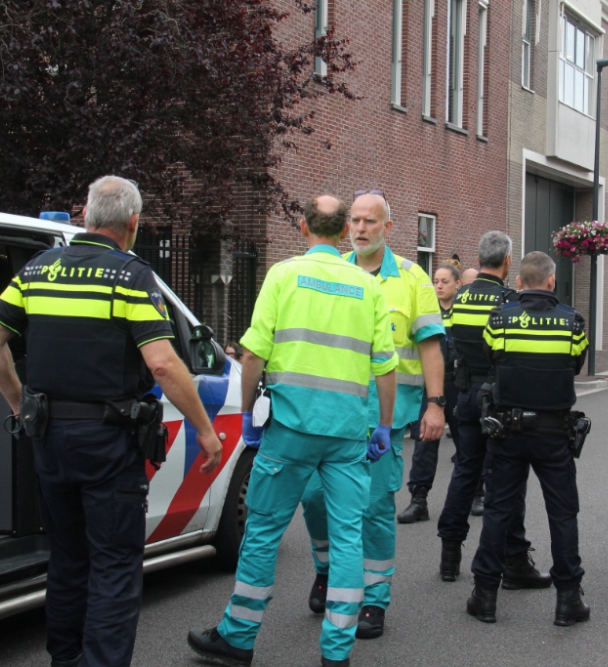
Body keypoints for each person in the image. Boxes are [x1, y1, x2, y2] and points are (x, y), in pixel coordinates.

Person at [0, 175, 222, 667]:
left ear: (87, 216)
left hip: (50, 441)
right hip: (109, 444)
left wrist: (22, 403)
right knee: (112, 567)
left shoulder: (37, 271)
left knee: (67, 562)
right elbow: (163, 364)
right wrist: (205, 428)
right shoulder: (130, 276)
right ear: (133, 223)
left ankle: (65, 660)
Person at [188, 195, 398, 667]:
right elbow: (384, 366)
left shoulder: (283, 275)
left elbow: (253, 354)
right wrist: (382, 425)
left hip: (290, 426)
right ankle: (337, 650)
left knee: (263, 530)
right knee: (348, 537)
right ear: (345, 230)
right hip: (347, 432)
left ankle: (238, 638)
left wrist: (246, 416)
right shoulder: (368, 286)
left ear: (302, 227)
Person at [300, 190, 445, 640]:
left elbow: (428, 345)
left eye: (370, 221)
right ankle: (326, 568)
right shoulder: (333, 269)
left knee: (375, 506)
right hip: (330, 411)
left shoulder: (412, 277)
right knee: (313, 498)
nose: (361, 228)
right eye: (355, 221)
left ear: (389, 227)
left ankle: (374, 596)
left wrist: (436, 403)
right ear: (346, 227)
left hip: (384, 417)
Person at [466, 251, 590, 626]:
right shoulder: (573, 321)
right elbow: (575, 365)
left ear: (518, 282)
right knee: (563, 513)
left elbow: (492, 357)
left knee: (499, 511)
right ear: (551, 282)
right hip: (554, 433)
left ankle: (485, 596)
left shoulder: (501, 318)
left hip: (509, 431)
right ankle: (568, 600)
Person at [436, 231, 549, 590]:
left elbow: (451, 342)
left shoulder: (461, 296)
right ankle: (514, 560)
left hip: (465, 395)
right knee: (506, 481)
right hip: (499, 398)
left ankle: (449, 557)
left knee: (465, 472)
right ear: (506, 262)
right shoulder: (508, 301)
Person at [399, 259, 462, 524]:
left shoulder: (465, 312)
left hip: (460, 384)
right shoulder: (428, 311)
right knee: (425, 444)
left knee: (467, 442)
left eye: (444, 281)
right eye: (435, 281)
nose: (438, 286)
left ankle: (479, 491)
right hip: (431, 386)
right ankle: (419, 499)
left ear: (458, 284)